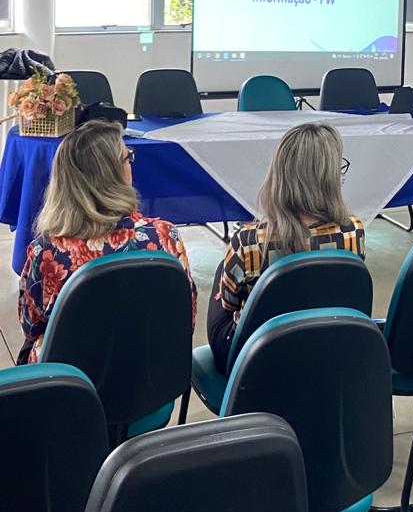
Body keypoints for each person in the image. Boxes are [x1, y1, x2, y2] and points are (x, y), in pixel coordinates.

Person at [17, 119, 196, 364]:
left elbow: (30, 326)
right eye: (127, 157)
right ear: (111, 174)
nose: (131, 164)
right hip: (148, 385)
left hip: (70, 388)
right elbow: (186, 317)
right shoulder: (164, 237)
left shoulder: (46, 252)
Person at [207, 121, 365, 373]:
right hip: (326, 350)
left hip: (255, 361)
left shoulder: (248, 241)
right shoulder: (353, 230)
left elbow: (227, 304)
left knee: (222, 276)